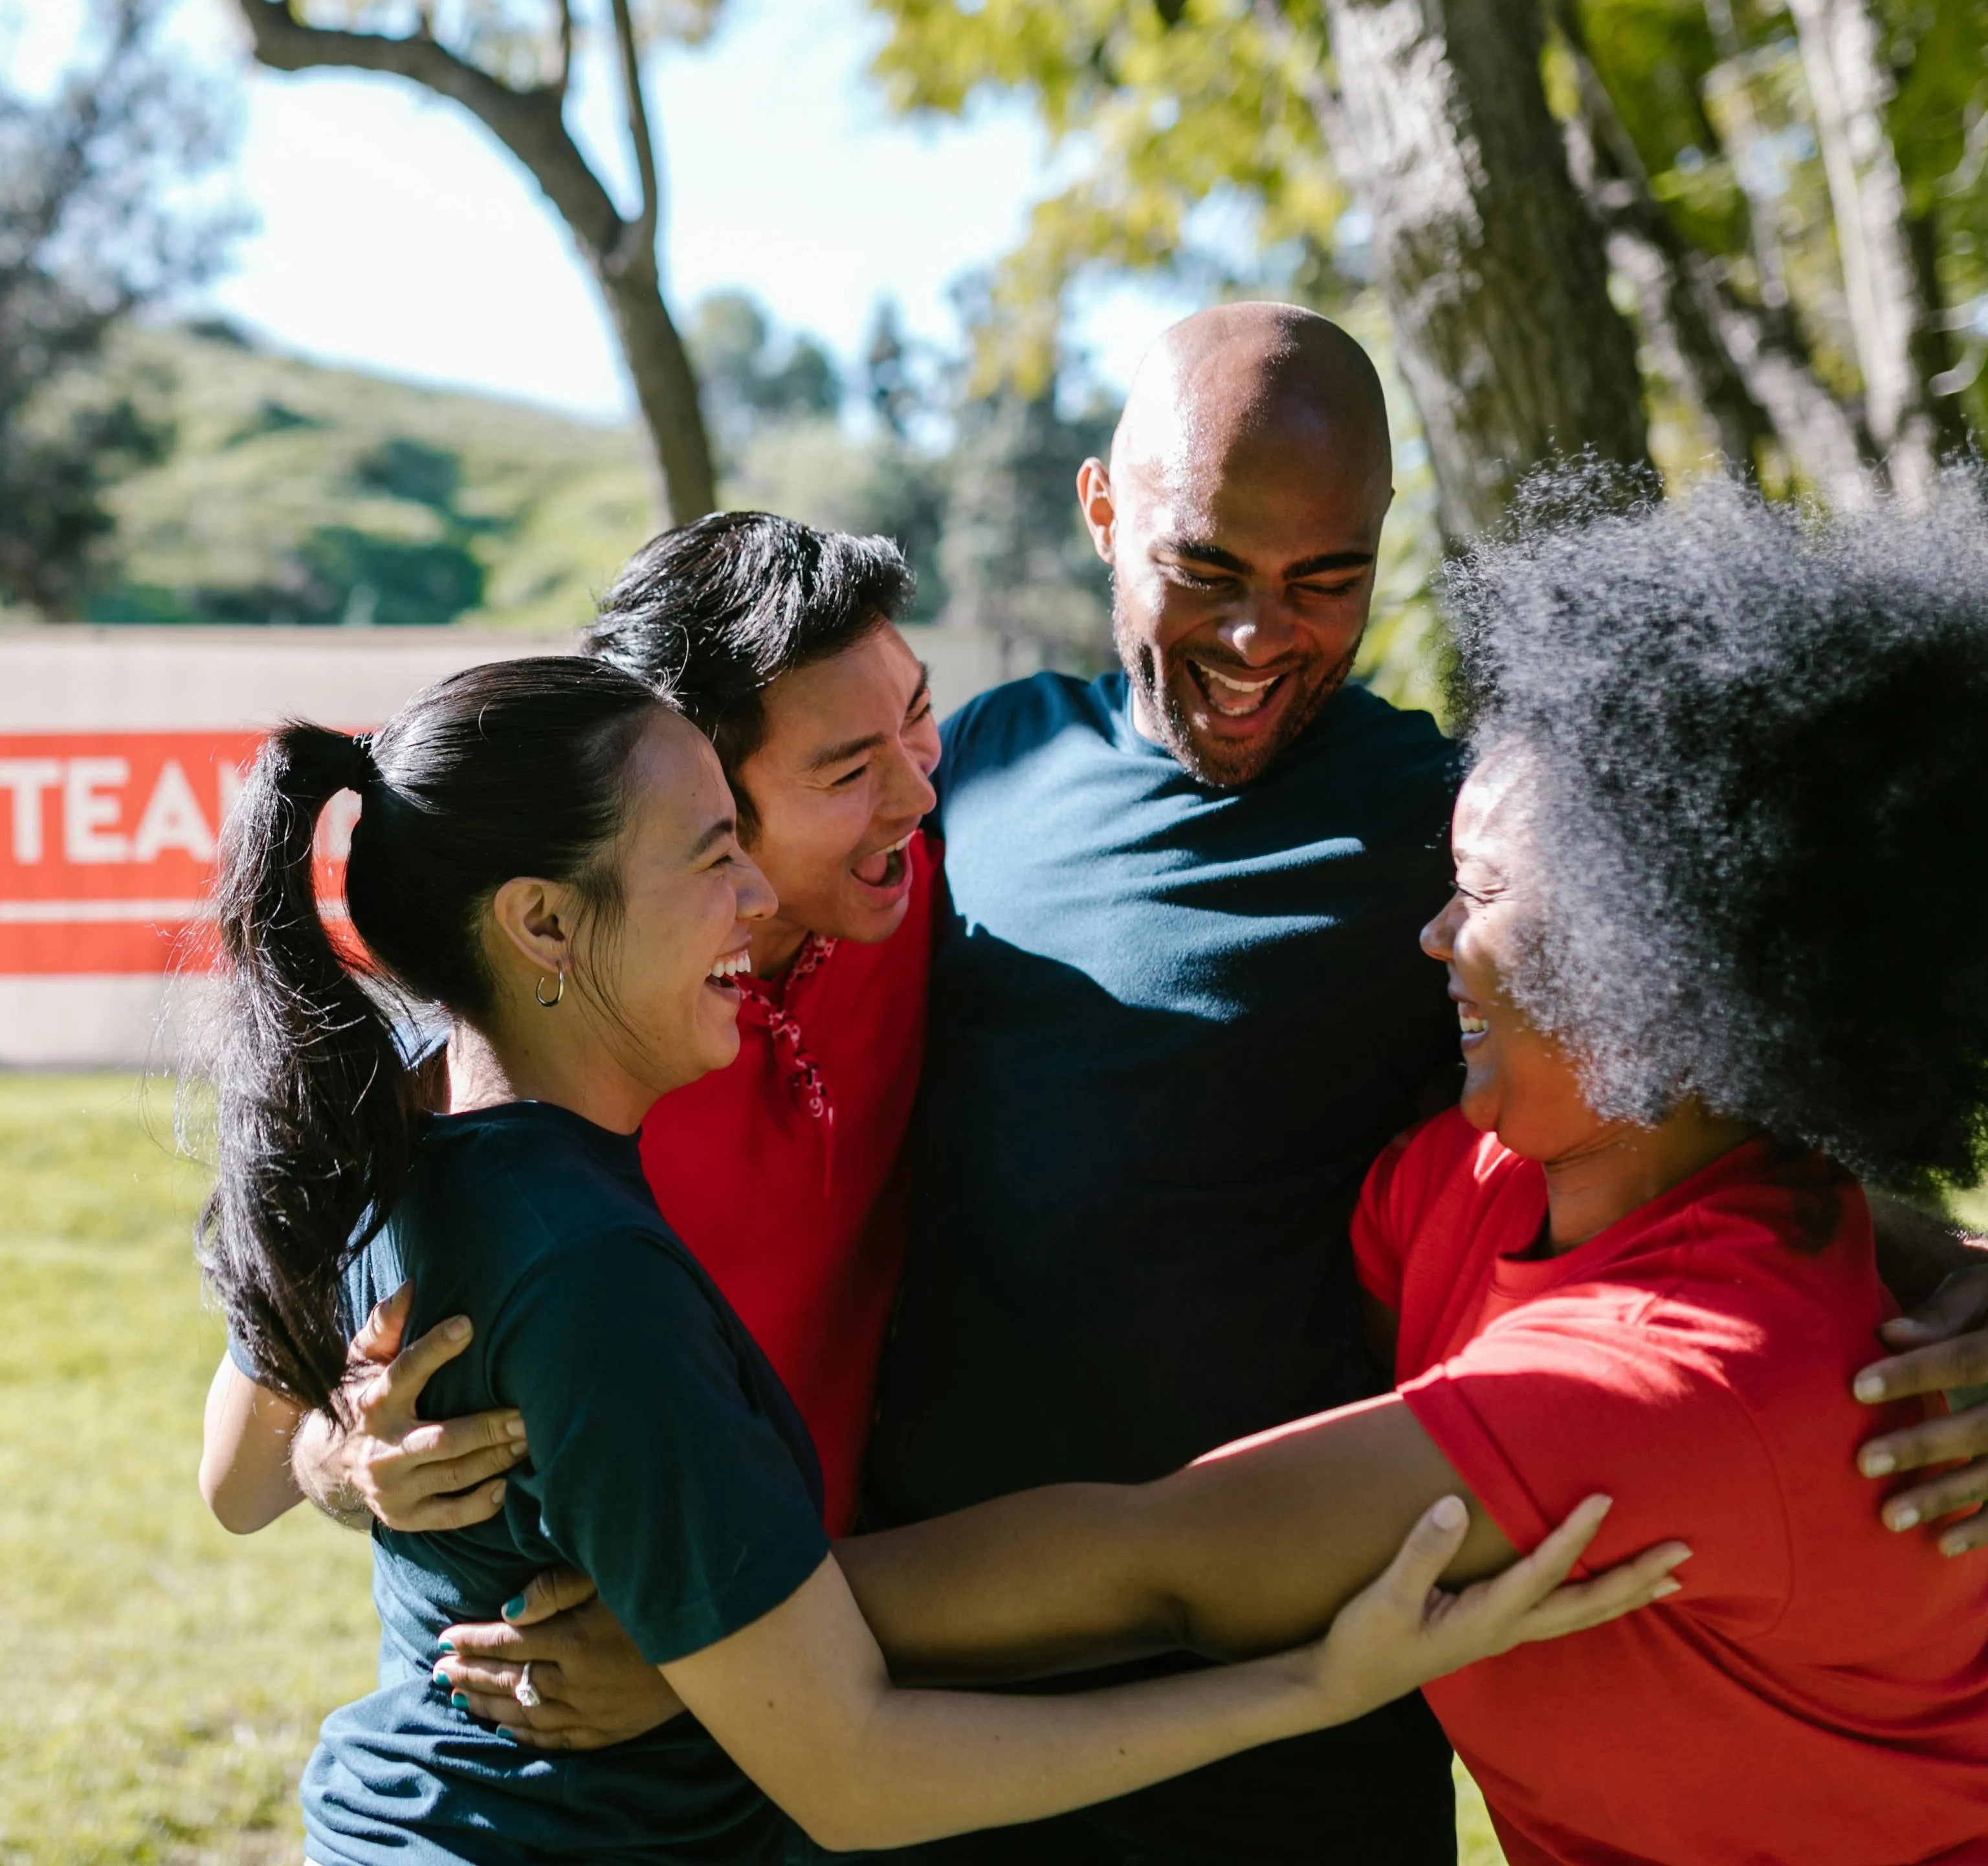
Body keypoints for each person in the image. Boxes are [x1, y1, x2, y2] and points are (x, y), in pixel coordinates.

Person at [198, 653, 1670, 1865]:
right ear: (540, 925)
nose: (760, 900)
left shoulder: (405, 1138)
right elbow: (856, 1769)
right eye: (715, 859)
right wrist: (1310, 1686)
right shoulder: (587, 1272)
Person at [826, 477, 1988, 1864]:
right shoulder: (1479, 1182)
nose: (1433, 938)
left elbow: (1167, 1566)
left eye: (1483, 895)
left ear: (1658, 957)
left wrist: (714, 1623)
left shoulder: (1686, 1377)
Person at [201, 512, 942, 1543]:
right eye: (848, 771)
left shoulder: (932, 881)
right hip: (622, 1643)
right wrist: (350, 1460)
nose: (919, 787)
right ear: (696, 788)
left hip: (845, 1609)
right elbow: (238, 1479)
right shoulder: (520, 1069)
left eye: (918, 714)